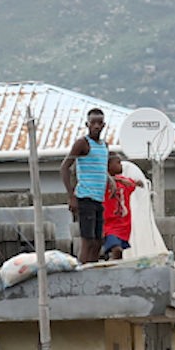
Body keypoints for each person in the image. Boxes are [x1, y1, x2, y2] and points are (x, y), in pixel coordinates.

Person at [60, 108, 113, 263]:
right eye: (93, 123)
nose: (96, 126)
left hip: (98, 198)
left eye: (99, 123)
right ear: (87, 124)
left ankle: (92, 271)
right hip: (85, 197)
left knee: (98, 242)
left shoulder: (104, 146)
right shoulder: (82, 143)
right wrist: (71, 196)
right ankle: (81, 272)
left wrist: (111, 181)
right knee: (87, 241)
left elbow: (100, 167)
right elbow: (64, 167)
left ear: (103, 125)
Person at [102, 155, 144, 260]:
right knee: (117, 250)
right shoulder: (103, 182)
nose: (121, 166)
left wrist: (137, 182)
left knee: (119, 253)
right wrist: (118, 181)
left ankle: (116, 272)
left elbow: (133, 183)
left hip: (123, 226)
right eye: (118, 163)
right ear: (108, 166)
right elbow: (101, 177)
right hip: (109, 225)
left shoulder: (124, 181)